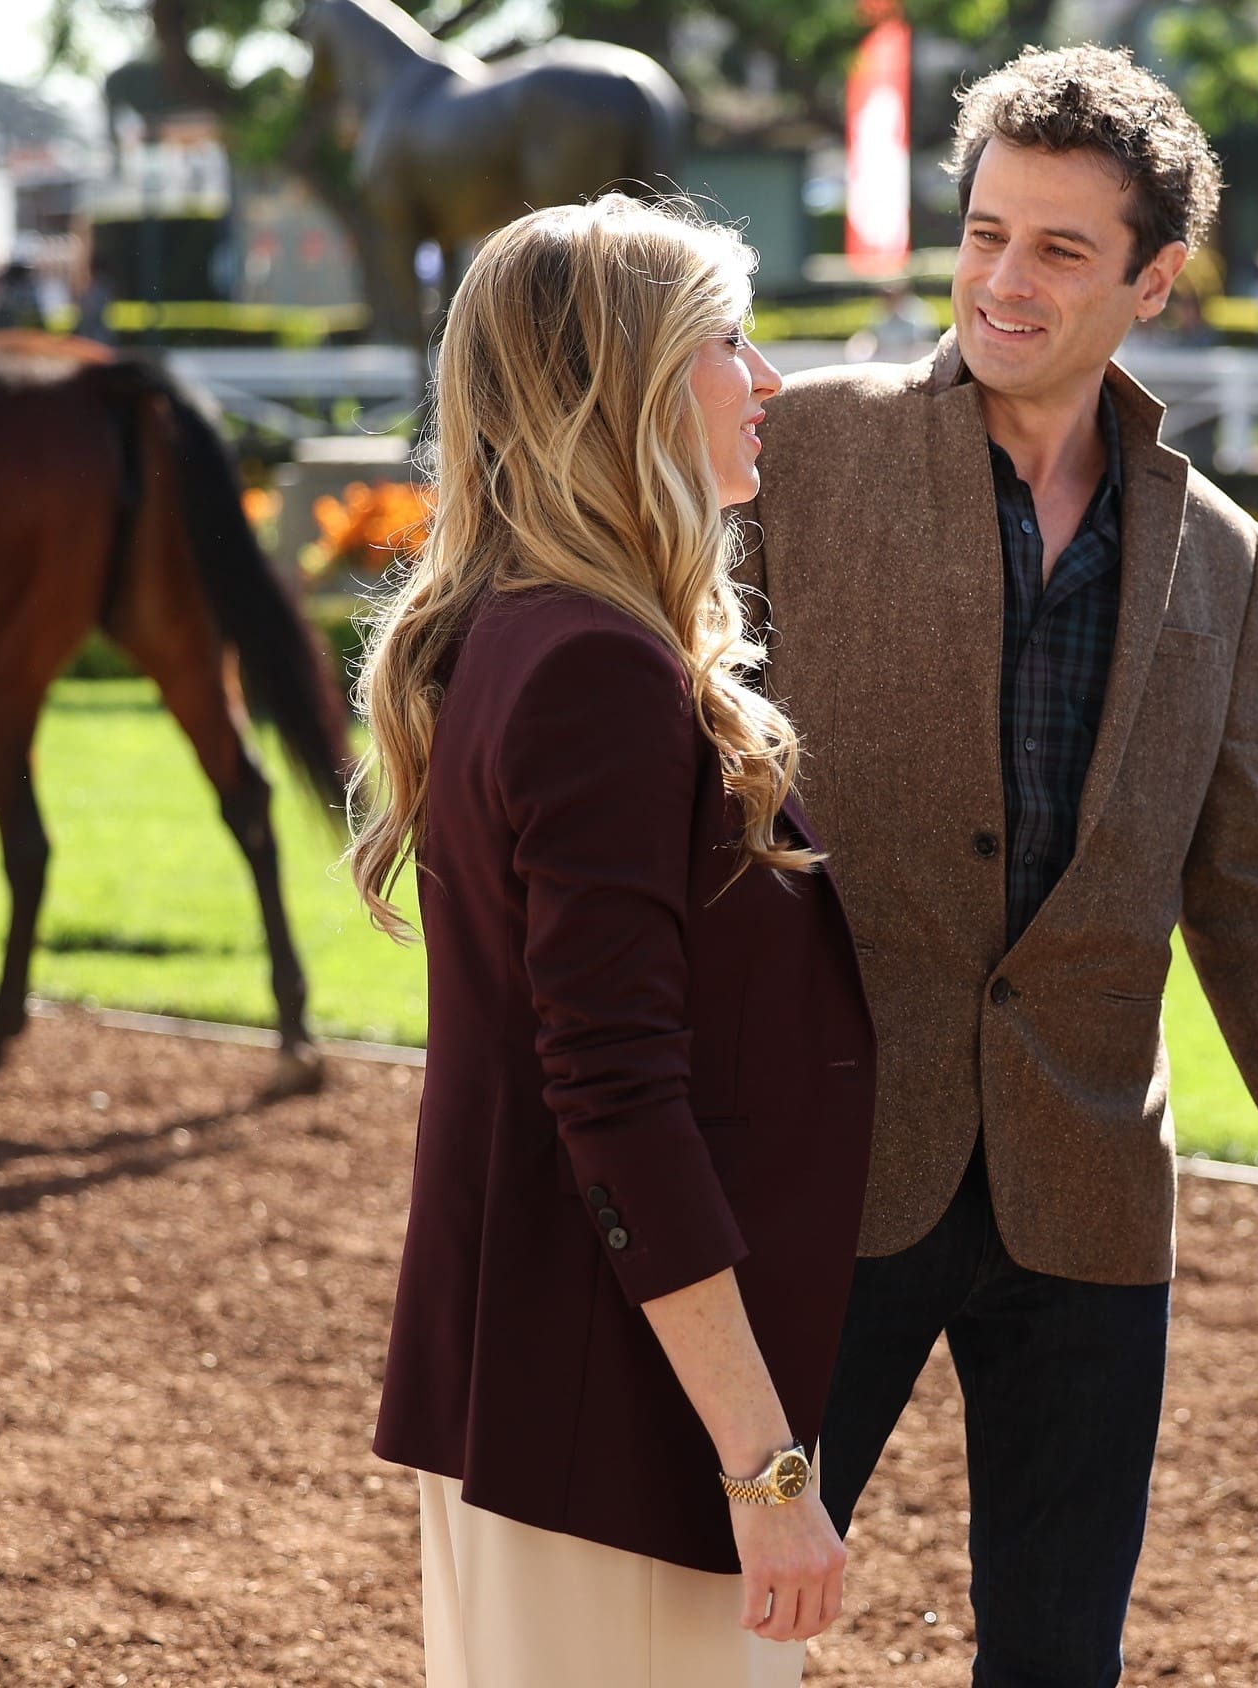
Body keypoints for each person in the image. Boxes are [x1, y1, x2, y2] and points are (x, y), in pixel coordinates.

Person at [740, 46, 1258, 1687]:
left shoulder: (1217, 551)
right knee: (717, 1624)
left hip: (1091, 1181)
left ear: (1153, 280)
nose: (1004, 282)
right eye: (984, 235)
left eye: (1058, 249)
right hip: (832, 1152)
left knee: (1060, 1659)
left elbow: (1245, 886)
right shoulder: (802, 452)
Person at [350, 195, 876, 1687]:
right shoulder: (594, 665)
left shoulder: (527, 631)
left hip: (557, 1393)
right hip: (614, 1429)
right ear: (622, 385)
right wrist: (767, 1470)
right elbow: (617, 1095)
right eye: (727, 340)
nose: (766, 378)